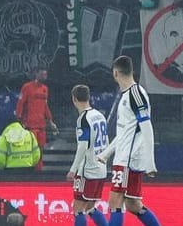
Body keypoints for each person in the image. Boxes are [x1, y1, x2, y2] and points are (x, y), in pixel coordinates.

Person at [106, 54, 160, 226]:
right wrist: (105, 154)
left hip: (128, 159)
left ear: (115, 73)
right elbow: (124, 133)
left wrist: (150, 162)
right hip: (125, 156)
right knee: (133, 204)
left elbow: (147, 127)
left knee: (115, 201)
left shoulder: (136, 93)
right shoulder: (127, 95)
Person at [68, 86, 111, 226]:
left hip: (88, 170)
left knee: (78, 208)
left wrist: (73, 169)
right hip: (101, 169)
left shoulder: (83, 119)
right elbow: (107, 142)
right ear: (88, 97)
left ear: (74, 99)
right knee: (90, 208)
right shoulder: (100, 115)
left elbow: (82, 146)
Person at [18, 68, 56, 150]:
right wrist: (20, 121)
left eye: (45, 75)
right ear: (36, 74)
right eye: (42, 74)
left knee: (41, 148)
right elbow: (20, 104)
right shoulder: (27, 87)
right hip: (30, 125)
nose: (44, 77)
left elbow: (45, 106)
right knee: (31, 148)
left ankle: (40, 163)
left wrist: (50, 121)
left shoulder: (45, 89)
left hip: (41, 125)